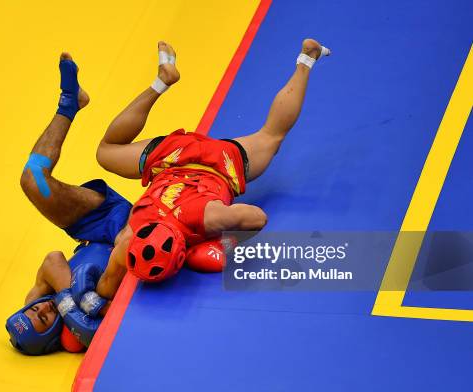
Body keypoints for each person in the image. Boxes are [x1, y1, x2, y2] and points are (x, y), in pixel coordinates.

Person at [82, 39, 331, 304]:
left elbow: (257, 217)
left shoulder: (206, 219)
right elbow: (104, 288)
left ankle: (307, 57)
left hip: (220, 163)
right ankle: (162, 81)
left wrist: (220, 243)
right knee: (106, 151)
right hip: (172, 155)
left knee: (272, 136)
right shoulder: (129, 239)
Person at [5, 52, 132, 355]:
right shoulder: (75, 339)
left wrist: (71, 301)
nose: (43, 309)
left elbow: (52, 260)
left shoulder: (41, 297)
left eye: (34, 310)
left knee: (32, 179)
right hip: (128, 241)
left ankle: (69, 102)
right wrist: (83, 307)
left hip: (97, 225)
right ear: (49, 335)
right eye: (44, 318)